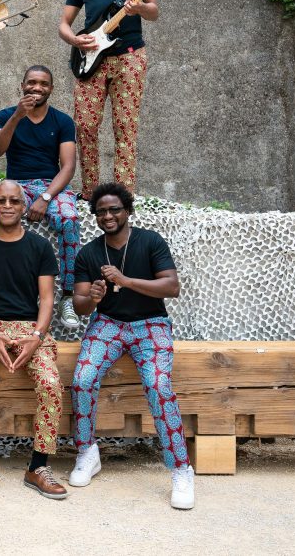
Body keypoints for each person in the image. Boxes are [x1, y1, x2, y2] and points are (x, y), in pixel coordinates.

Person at [69, 182, 194, 509]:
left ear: (127, 210)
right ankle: (87, 453)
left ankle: (181, 468)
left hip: (150, 323)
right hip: (108, 323)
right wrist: (93, 297)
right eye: (101, 212)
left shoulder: (150, 241)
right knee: (82, 380)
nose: (107, 216)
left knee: (158, 384)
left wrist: (125, 282)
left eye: (114, 210)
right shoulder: (89, 252)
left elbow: (171, 287)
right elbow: (80, 306)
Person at [0, 180, 67, 500]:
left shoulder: (39, 247)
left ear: (23, 207)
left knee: (50, 383)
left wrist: (36, 337)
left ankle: (38, 465)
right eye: (1, 200)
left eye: (14, 201)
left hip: (29, 328)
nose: (7, 206)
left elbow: (47, 299)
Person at [59, 0, 158, 199]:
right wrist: (75, 39)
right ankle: (90, 193)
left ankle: (122, 198)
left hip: (129, 57)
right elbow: (63, 24)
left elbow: (154, 11)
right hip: (92, 59)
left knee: (125, 130)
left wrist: (138, 8)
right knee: (86, 126)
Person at [0, 65, 81, 331]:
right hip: (16, 184)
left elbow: (68, 167)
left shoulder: (62, 121)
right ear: (22, 85)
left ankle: (68, 296)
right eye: (32, 82)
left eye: (43, 84)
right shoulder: (5, 115)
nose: (37, 88)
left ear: (51, 88)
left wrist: (46, 197)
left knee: (69, 219)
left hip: (52, 185)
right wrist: (17, 116)